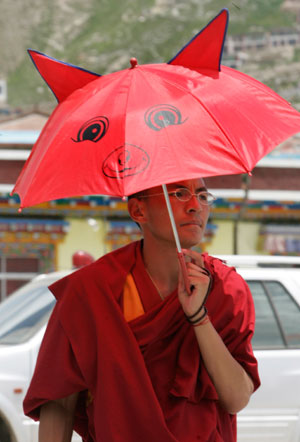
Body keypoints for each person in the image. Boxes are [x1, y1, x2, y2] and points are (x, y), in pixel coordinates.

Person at [23, 177, 260, 442]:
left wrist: (198, 317)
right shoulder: (92, 291)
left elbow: (237, 399)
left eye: (203, 196)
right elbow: (59, 400)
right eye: (180, 194)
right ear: (138, 211)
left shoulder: (226, 288)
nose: (196, 206)